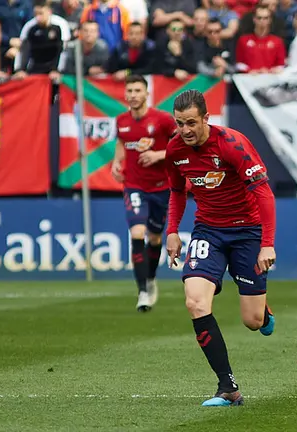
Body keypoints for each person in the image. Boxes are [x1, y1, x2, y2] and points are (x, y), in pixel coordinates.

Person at [165, 90, 277, 407]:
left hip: (248, 232)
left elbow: (265, 194)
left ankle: (263, 311)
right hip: (208, 231)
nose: (184, 130)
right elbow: (176, 191)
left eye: (190, 122)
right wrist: (172, 230)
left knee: (252, 322)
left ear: (205, 119)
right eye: (179, 123)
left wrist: (266, 244)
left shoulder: (232, 144)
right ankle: (227, 387)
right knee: (195, 302)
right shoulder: (174, 149)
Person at [110, 74, 176, 312]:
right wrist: (116, 163)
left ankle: (150, 278)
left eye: (138, 90)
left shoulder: (163, 120)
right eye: (130, 91)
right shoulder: (121, 121)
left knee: (155, 237)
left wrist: (158, 155)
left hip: (161, 187)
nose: (133, 95)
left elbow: (181, 145)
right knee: (137, 233)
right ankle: (142, 292)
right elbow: (121, 143)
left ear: (147, 93)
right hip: (134, 185)